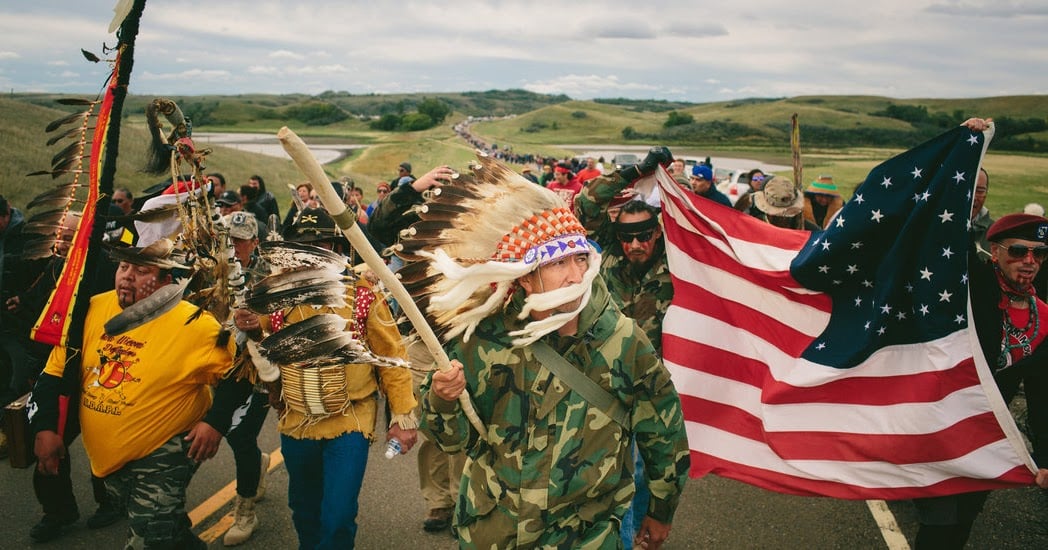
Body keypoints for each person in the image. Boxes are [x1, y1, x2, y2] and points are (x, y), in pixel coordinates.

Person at [408, 155, 689, 548]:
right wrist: (441, 397)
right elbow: (452, 440)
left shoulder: (623, 340)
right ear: (525, 278)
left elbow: (664, 431)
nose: (575, 275)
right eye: (558, 264)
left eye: (580, 259)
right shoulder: (483, 340)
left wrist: (661, 511)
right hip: (496, 532)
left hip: (585, 536)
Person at [31, 238, 238, 549]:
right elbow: (54, 372)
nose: (127, 276)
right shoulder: (91, 308)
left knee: (148, 538)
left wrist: (216, 423)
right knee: (166, 528)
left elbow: (241, 374)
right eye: (124, 267)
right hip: (110, 459)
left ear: (166, 281)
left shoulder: (196, 325)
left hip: (165, 450)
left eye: (142, 272)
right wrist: (46, 427)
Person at [234, 208, 417, 549]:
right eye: (304, 247)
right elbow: (258, 338)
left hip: (350, 419)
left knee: (338, 515)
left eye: (320, 245)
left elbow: (393, 359)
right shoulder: (277, 296)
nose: (311, 255)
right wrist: (250, 325)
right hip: (297, 421)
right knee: (304, 510)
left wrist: (402, 418)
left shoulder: (362, 296)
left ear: (336, 248)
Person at [911, 212, 1048, 549]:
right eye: (1018, 251)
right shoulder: (970, 289)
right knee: (939, 526)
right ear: (995, 252)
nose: (1029, 261)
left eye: (1040, 253)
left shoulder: (1043, 317)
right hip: (941, 428)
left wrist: (1045, 456)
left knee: (963, 522)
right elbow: (949, 247)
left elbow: (1042, 393)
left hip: (987, 439)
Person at [366, 164, 466, 533]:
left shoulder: (478, 225)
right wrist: (411, 188)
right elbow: (377, 229)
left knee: (467, 424)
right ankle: (439, 503)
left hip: (467, 337)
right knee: (433, 425)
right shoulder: (415, 219)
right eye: (438, 191)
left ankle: (465, 501)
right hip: (421, 338)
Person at [218, 211, 273, 546]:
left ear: (254, 242)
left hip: (259, 368)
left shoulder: (269, 274)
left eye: (240, 240)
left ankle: (246, 510)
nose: (233, 246)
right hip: (222, 366)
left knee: (241, 435)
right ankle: (257, 462)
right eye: (229, 239)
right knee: (228, 431)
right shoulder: (215, 269)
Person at [752, 176, 821, 230]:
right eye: (776, 215)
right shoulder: (755, 225)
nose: (781, 218)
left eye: (784, 215)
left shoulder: (809, 230)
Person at [970, 168, 994, 261]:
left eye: (980, 191)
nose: (973, 197)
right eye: (968, 190)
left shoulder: (996, 235)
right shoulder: (933, 227)